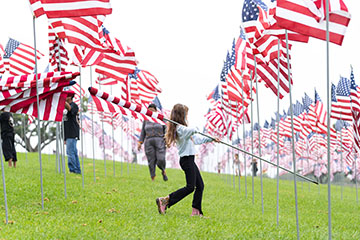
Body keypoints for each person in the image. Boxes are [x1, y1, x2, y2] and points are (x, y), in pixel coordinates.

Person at [156, 104, 220, 217]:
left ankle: (196, 212)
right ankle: (166, 200)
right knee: (190, 187)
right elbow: (191, 131)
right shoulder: (180, 129)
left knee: (200, 186)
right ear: (181, 115)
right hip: (186, 160)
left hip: (190, 160)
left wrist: (211, 139)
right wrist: (195, 129)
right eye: (186, 114)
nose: (187, 116)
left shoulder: (183, 129)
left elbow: (196, 139)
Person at [138, 103, 168, 181]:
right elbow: (143, 132)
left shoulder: (161, 118)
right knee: (151, 160)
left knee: (160, 158)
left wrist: (167, 139)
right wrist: (140, 142)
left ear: (155, 110)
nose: (151, 112)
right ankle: (153, 177)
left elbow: (166, 129)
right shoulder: (146, 120)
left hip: (160, 140)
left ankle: (163, 170)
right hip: (148, 141)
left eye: (152, 110)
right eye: (149, 110)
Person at [64, 91, 81, 174]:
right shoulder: (65, 108)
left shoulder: (74, 106)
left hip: (72, 133)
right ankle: (77, 170)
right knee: (73, 152)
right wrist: (64, 137)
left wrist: (61, 100)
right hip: (68, 134)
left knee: (70, 153)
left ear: (70, 97)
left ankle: (73, 170)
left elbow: (70, 109)